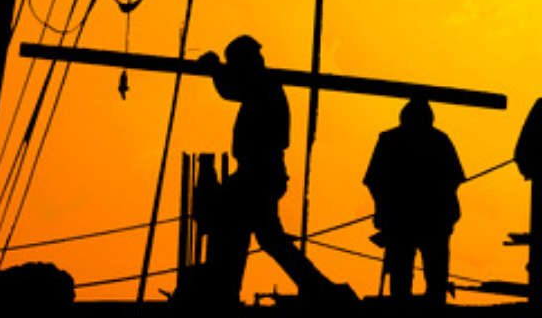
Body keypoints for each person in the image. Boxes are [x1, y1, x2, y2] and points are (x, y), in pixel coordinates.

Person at [197, 35, 350, 303]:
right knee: (262, 235)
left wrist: (215, 71)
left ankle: (227, 292)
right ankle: (317, 287)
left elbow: (233, 90)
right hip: (260, 172)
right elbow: (236, 89)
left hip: (259, 173)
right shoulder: (264, 85)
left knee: (240, 227)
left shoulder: (263, 85)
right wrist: (218, 71)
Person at [365, 99, 465, 303]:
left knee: (405, 277)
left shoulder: (389, 140)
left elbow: (374, 181)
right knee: (431, 276)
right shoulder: (440, 140)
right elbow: (454, 179)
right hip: (430, 220)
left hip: (406, 220)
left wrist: (384, 208)